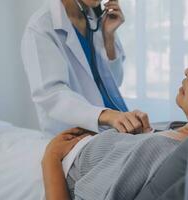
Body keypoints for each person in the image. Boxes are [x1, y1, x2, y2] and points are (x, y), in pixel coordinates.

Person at [42, 68, 188, 200]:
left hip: (54, 172)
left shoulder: (164, 149)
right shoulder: (176, 127)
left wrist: (50, 158)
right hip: (67, 148)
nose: (186, 71)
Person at [21, 0, 151, 135]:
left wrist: (109, 37)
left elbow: (116, 81)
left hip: (118, 126)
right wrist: (105, 115)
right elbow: (52, 96)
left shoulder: (96, 20)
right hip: (78, 138)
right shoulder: (41, 27)